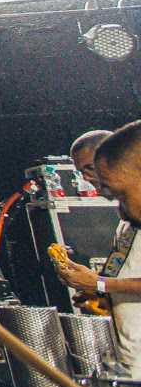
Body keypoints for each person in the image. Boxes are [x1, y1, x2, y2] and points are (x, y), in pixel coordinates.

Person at [55, 130, 141, 373]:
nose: (87, 178)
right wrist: (100, 293)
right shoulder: (127, 220)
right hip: (129, 353)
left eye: (90, 169)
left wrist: (102, 284)